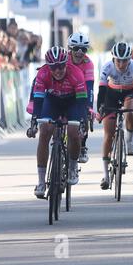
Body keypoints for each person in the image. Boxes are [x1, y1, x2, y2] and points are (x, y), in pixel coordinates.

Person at [31, 46, 87, 199]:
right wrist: (35, 119)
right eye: (54, 67)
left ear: (66, 63)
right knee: (45, 132)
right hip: (53, 101)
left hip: (73, 101)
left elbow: (82, 101)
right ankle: (41, 181)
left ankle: (73, 166)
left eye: (61, 66)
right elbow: (38, 99)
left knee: (74, 132)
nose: (58, 70)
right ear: (48, 67)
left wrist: (82, 121)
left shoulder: (76, 73)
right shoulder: (42, 74)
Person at [97, 42, 133, 190]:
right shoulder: (107, 67)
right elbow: (101, 91)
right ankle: (105, 175)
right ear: (113, 58)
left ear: (130, 59)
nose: (122, 64)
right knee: (108, 134)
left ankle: (129, 141)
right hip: (111, 94)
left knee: (131, 112)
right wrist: (100, 109)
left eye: (125, 60)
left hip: (130, 92)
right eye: (119, 60)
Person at [67, 32, 95, 163]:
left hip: (81, 93)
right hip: (65, 91)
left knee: (85, 115)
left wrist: (89, 107)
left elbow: (90, 87)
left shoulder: (89, 63)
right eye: (75, 48)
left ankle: (82, 145)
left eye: (83, 49)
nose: (79, 52)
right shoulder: (64, 58)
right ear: (70, 48)